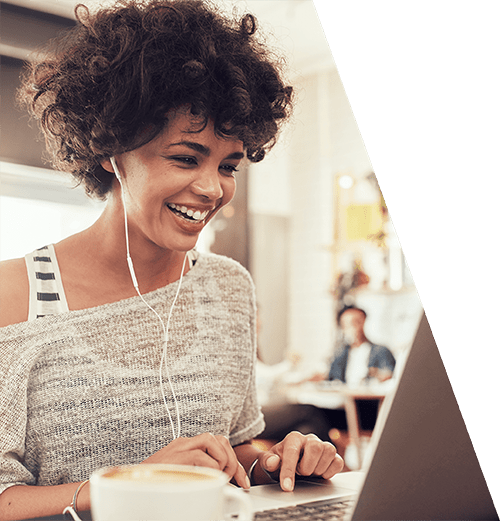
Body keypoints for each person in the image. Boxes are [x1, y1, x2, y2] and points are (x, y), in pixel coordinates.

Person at [0, 1, 343, 519]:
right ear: (110, 149)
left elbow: (233, 450)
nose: (211, 188)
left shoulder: (229, 289)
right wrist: (133, 485)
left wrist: (274, 463)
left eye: (228, 165)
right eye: (186, 157)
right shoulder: (16, 296)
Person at [328, 306, 396, 385]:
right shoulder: (340, 354)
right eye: (345, 325)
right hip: (345, 395)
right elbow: (332, 379)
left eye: (355, 323)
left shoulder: (380, 351)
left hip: (369, 396)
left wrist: (377, 374)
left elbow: (390, 376)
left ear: (363, 323)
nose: (351, 328)